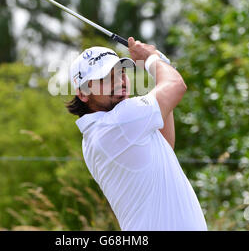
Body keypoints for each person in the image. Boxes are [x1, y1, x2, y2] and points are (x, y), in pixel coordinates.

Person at [66, 37, 207, 231]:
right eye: (107, 77)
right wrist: (151, 59)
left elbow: (166, 143)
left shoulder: (103, 130)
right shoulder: (118, 122)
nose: (120, 81)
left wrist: (161, 64)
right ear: (83, 93)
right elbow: (176, 86)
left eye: (121, 72)